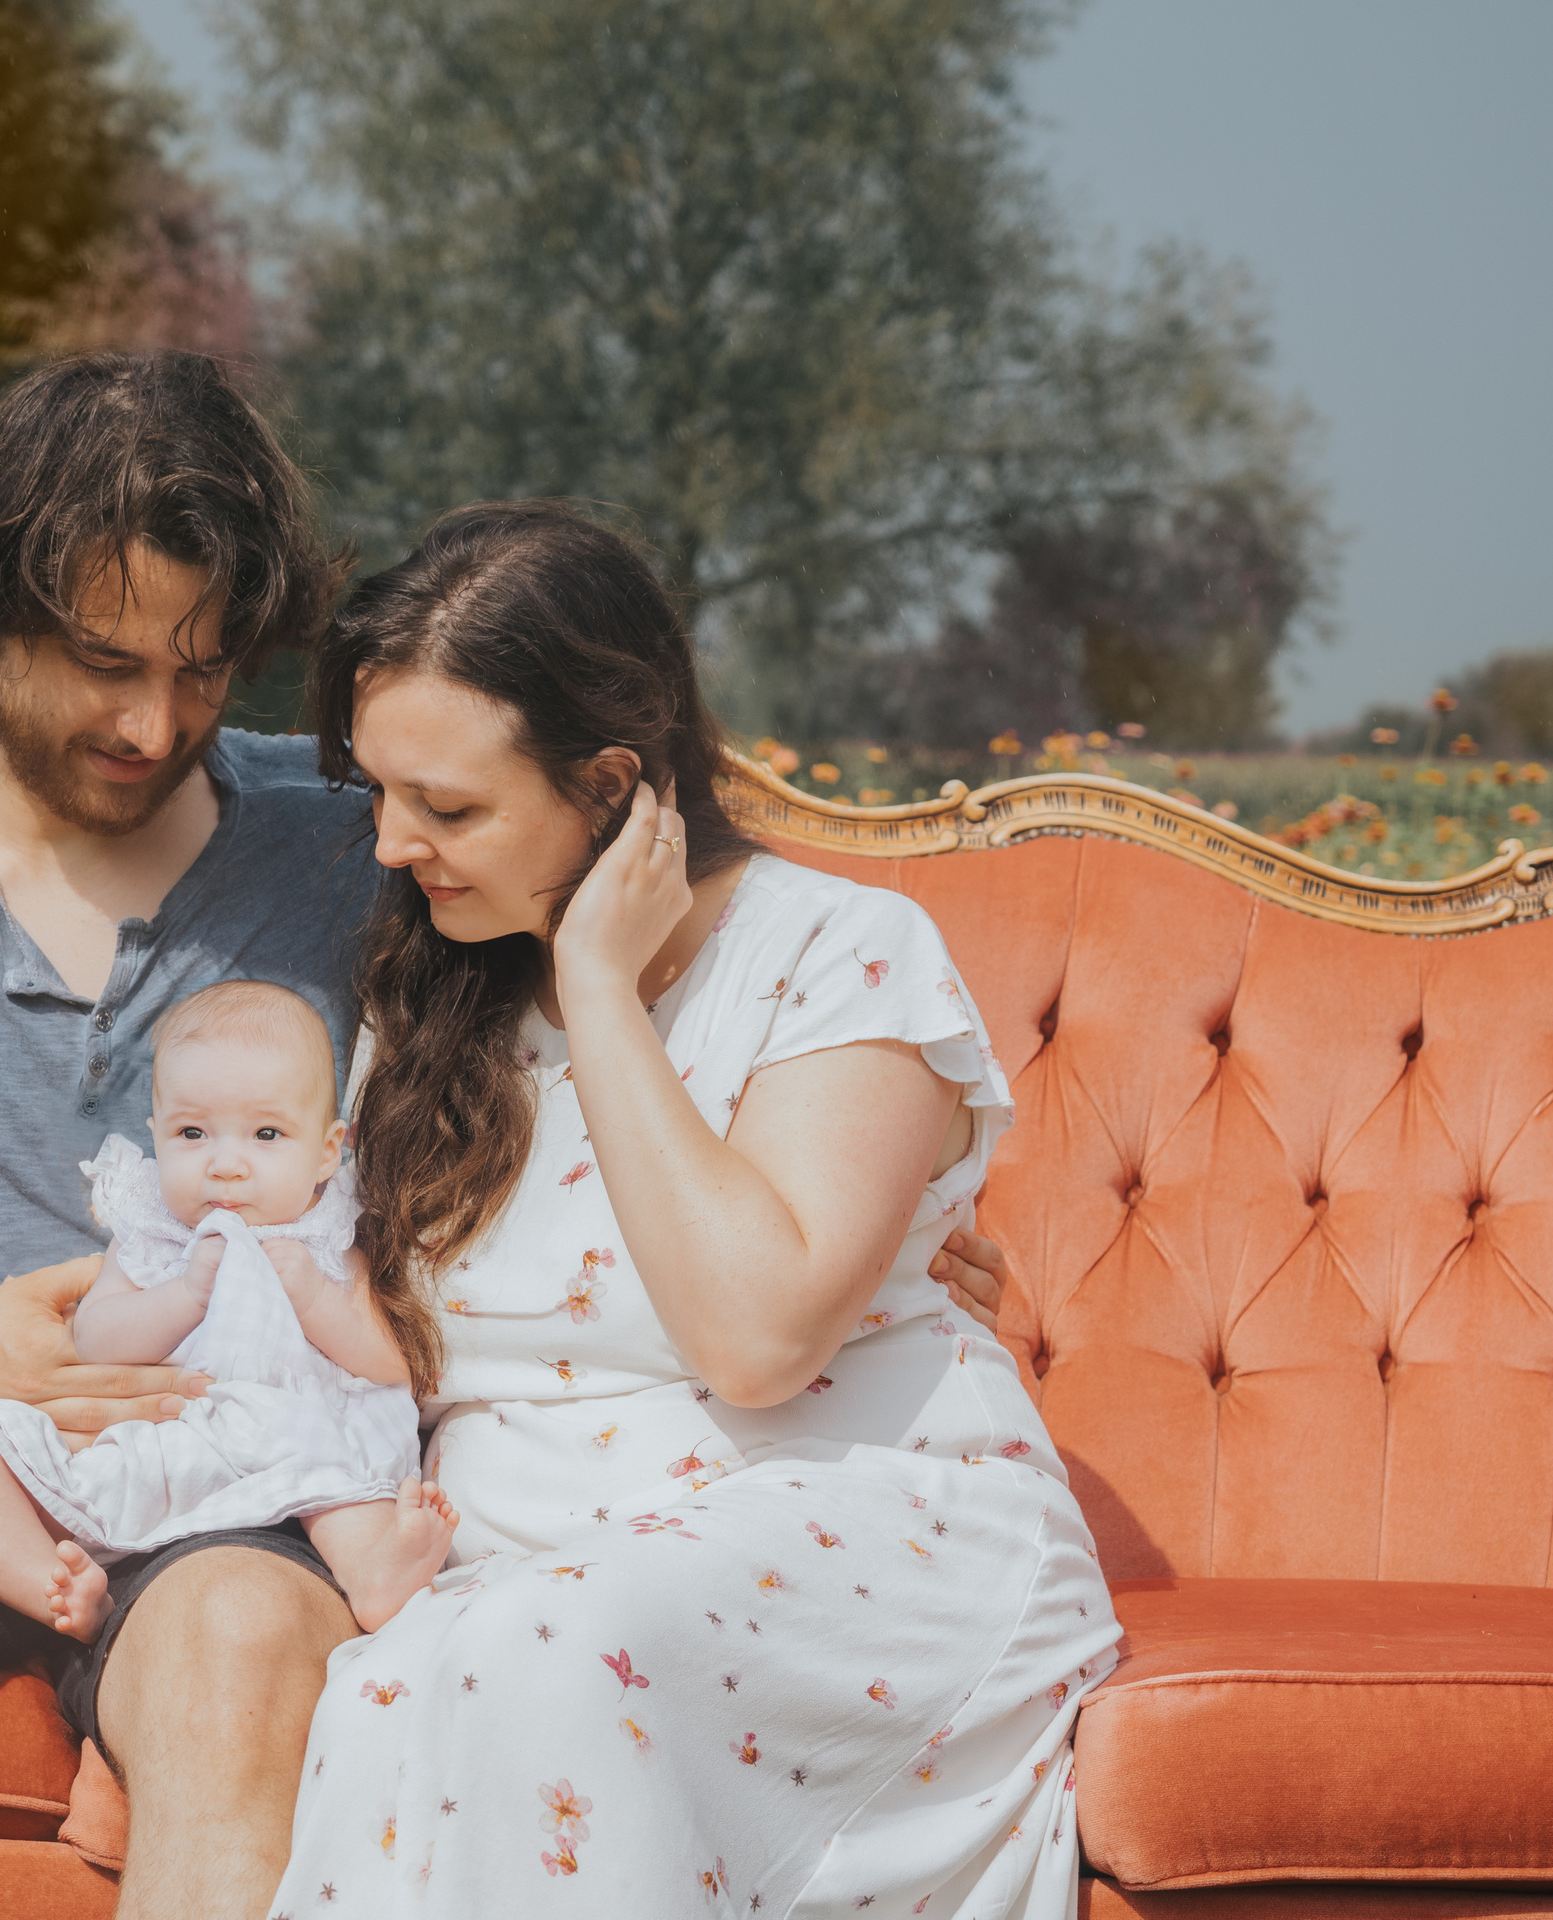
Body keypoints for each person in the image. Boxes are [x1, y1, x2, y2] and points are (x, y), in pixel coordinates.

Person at [0, 348, 1012, 1920]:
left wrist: (887, 1234)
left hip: (257, 1457)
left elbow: (677, 935)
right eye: (101, 659)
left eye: (203, 670)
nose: (152, 720)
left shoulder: (361, 841)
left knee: (243, 1657)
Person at [268, 501, 1119, 1915]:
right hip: (524, 1576)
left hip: (840, 1541)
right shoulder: (427, 988)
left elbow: (756, 1342)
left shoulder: (839, 953)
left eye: (451, 807)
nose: (391, 848)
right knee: (405, 1691)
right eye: (379, 796)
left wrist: (599, 987)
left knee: (548, 1654)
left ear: (611, 787)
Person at [0, 978, 459, 1640]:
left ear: (326, 1151)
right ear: (156, 1134)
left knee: (342, 1485)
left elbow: (386, 1364)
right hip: (161, 1439)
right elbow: (97, 1338)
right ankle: (53, 1583)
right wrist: (181, 1298)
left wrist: (318, 1300)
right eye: (193, 1132)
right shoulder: (153, 1230)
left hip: (290, 1437)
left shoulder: (324, 1232)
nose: (226, 1165)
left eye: (265, 1133)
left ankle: (376, 1573)